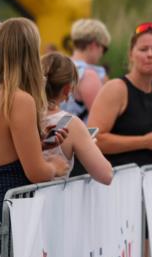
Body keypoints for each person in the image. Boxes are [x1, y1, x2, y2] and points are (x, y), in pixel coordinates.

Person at [0, 18, 70, 224]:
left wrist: (40, 144)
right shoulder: (19, 100)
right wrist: (55, 166)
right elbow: (36, 173)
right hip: (11, 212)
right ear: (29, 54)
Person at [87, 22, 152, 167]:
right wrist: (143, 142)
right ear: (131, 54)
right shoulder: (116, 89)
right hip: (117, 181)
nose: (150, 54)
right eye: (144, 49)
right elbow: (94, 140)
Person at [40, 52, 114, 183]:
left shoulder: (24, 114)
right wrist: (88, 144)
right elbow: (106, 175)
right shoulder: (70, 124)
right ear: (68, 89)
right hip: (54, 201)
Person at [60, 18, 110, 122]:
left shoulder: (58, 66)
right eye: (104, 49)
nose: (102, 54)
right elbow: (103, 118)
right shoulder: (88, 75)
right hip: (80, 136)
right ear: (93, 45)